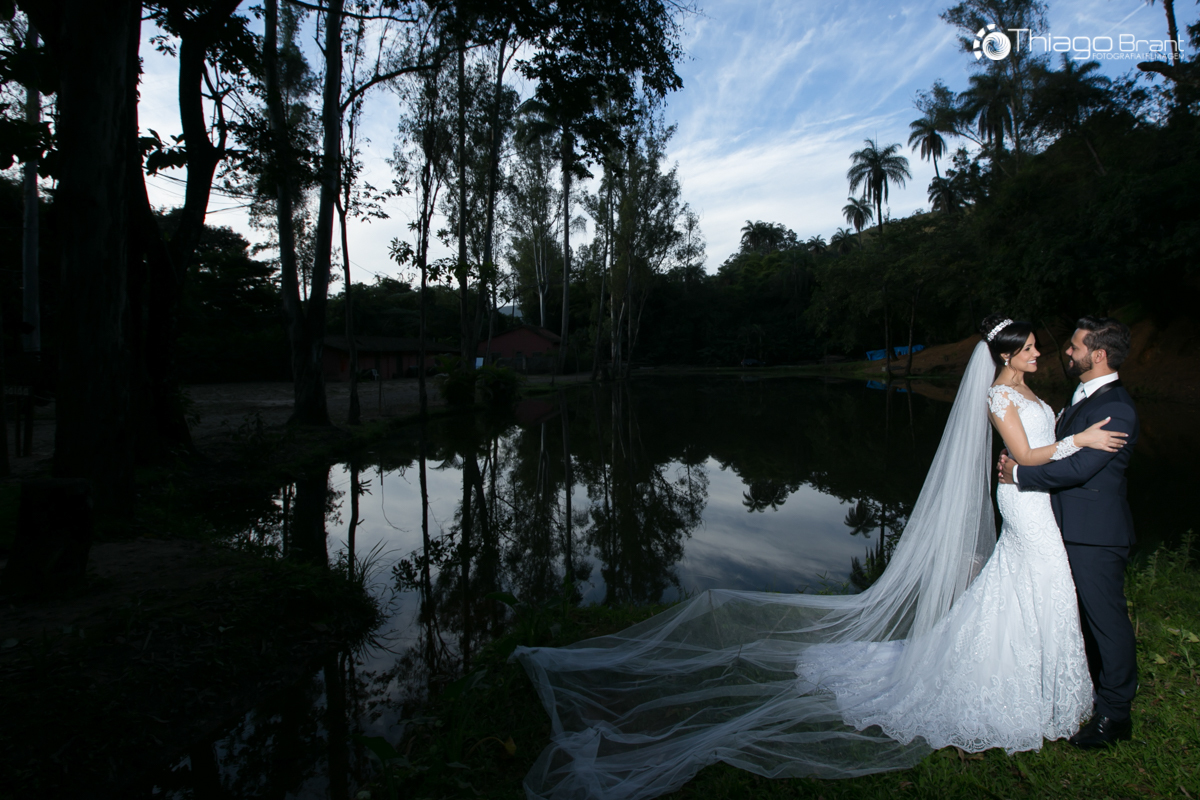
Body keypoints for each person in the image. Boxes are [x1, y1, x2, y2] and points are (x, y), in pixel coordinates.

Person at [511, 315, 1126, 800]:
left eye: (1043, 348)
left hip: (1031, 498)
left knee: (1029, 587)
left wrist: (1053, 446)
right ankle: (1026, 687)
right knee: (1039, 581)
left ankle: (1046, 683)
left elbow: (1034, 450)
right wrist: (1076, 440)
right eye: (1032, 349)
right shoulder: (999, 397)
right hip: (1025, 501)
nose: (1040, 355)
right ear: (1007, 355)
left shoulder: (1034, 391)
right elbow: (1026, 451)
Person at [998, 316, 1139, 749]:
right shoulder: (1083, 399)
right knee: (1079, 620)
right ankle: (1086, 692)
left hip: (1095, 535)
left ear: (1098, 355)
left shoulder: (1116, 407)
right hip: (1065, 528)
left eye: (1075, 347)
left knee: (1107, 623)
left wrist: (1019, 474)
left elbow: (1078, 469)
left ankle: (1115, 716)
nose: (1067, 351)